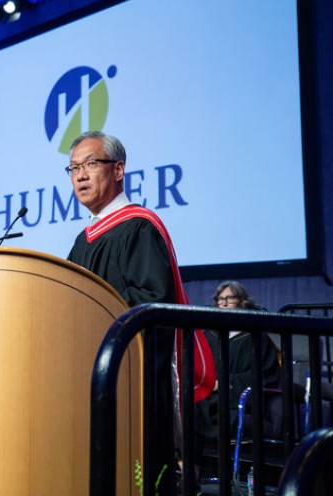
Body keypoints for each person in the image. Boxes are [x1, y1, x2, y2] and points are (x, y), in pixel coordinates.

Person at [64, 131, 214, 495]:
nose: (80, 175)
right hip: (92, 377)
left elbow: (153, 300)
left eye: (90, 164)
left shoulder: (139, 226)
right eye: (73, 168)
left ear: (118, 170)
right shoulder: (83, 241)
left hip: (133, 380)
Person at [195, 282, 281, 450]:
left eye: (230, 298)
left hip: (239, 399)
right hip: (209, 394)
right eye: (220, 299)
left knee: (200, 409)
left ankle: (193, 462)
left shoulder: (255, 336)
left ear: (242, 301)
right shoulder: (208, 335)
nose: (224, 303)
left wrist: (227, 381)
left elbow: (266, 374)